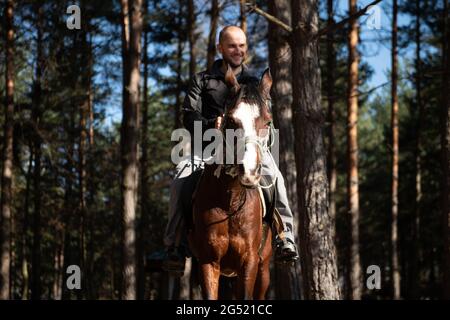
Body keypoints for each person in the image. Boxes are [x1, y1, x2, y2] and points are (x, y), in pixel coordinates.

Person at [163, 26, 298, 273]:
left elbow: (265, 117)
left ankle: (285, 236)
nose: (239, 50)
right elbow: (187, 116)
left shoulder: (254, 83)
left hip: (247, 145)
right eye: (232, 45)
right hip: (208, 147)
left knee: (275, 177)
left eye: (242, 45)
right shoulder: (201, 80)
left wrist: (259, 137)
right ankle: (175, 245)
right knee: (180, 181)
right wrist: (208, 126)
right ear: (220, 48)